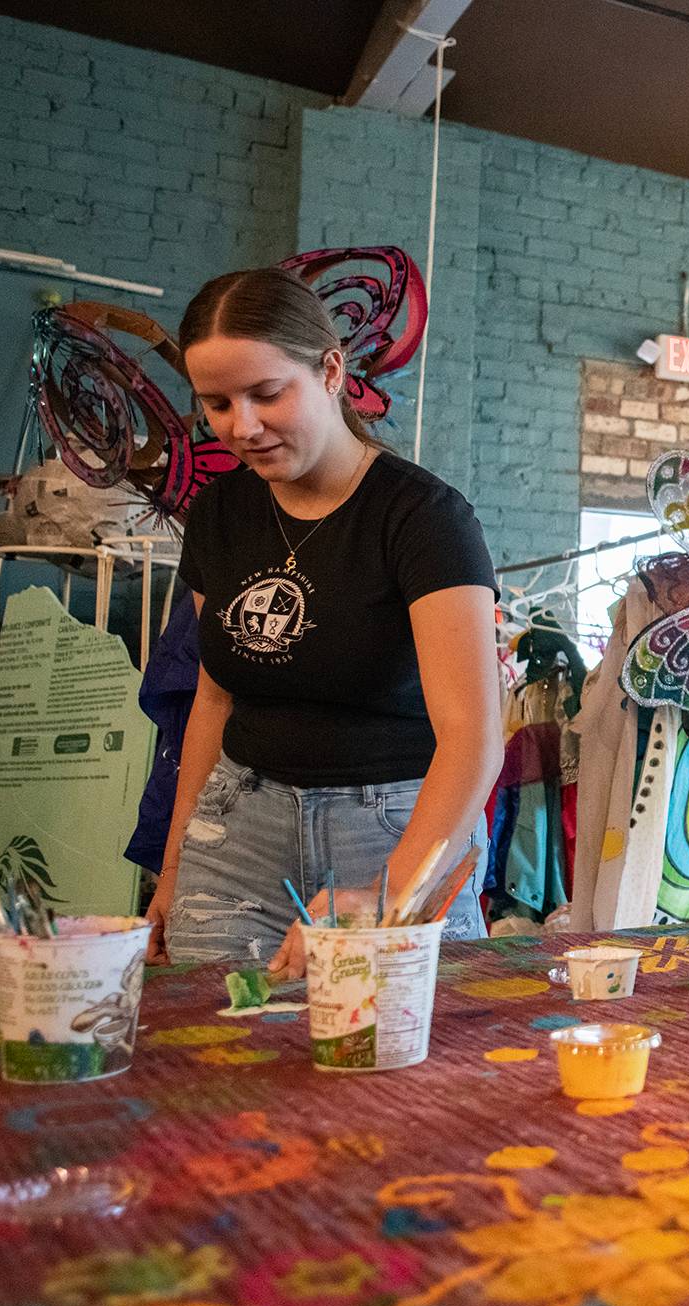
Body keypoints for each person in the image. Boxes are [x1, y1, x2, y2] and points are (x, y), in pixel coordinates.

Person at [147, 266, 503, 977]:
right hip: (238, 832)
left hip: (396, 826)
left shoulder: (423, 519)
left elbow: (473, 738)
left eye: (267, 394)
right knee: (224, 1056)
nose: (242, 426)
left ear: (331, 370)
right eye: (216, 404)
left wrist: (388, 892)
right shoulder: (220, 514)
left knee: (405, 1065)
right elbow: (213, 699)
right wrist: (172, 864)